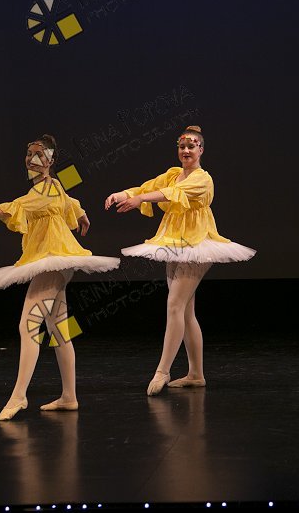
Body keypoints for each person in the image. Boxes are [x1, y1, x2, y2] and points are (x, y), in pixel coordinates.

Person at [0, 134, 119, 420]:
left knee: (28, 325)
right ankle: (69, 396)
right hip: (54, 260)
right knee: (58, 328)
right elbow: (69, 200)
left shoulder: (43, 190)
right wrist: (81, 213)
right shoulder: (53, 185)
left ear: (51, 160)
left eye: (40, 154)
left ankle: (19, 395)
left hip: (54, 261)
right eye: (29, 154)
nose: (32, 159)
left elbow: (15, 206)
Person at [104, 126, 255, 396]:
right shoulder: (173, 174)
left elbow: (170, 194)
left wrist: (140, 199)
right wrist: (123, 194)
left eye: (191, 146)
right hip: (174, 243)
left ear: (201, 150)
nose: (186, 150)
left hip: (196, 244)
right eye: (182, 146)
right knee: (185, 311)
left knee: (174, 304)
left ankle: (163, 370)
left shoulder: (202, 179)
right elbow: (149, 187)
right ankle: (196, 374)